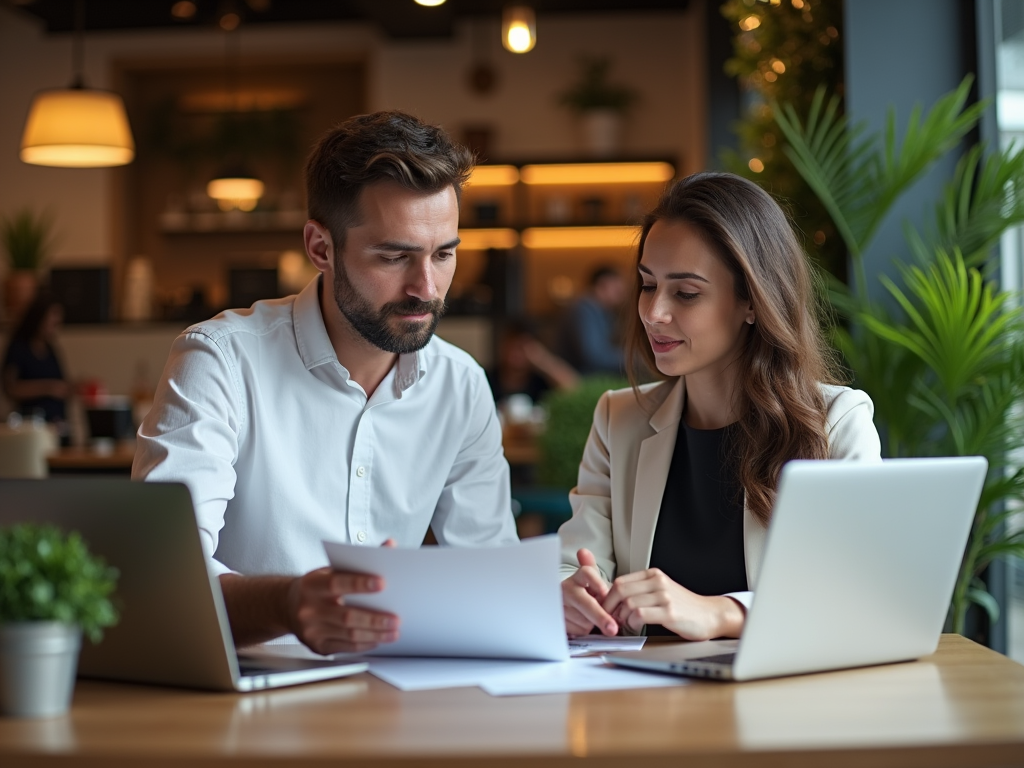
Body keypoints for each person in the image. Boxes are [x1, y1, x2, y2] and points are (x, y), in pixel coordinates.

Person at [133, 111, 519, 656]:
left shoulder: (460, 385)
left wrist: (547, 597)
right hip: (244, 699)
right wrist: (287, 605)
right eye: (394, 256)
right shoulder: (220, 361)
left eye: (444, 254)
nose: (425, 288)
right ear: (320, 248)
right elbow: (162, 575)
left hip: (393, 695)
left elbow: (488, 570)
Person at [558, 172, 882, 640]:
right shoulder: (618, 420)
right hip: (641, 704)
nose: (653, 312)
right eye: (648, 285)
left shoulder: (836, 423)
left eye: (686, 293)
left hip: (780, 704)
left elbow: (856, 595)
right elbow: (573, 564)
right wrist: (569, 594)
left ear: (753, 300)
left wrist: (722, 613)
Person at [1, 288, 72, 443]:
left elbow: (62, 383)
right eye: (53, 316)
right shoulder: (19, 348)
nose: (57, 322)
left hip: (58, 426)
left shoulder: (51, 349)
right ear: (39, 316)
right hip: (32, 429)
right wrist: (48, 388)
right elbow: (11, 388)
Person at [487, 318, 579, 406]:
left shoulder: (540, 382)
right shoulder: (488, 379)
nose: (515, 352)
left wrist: (542, 360)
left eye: (522, 347)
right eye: (511, 344)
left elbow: (574, 388)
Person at [557, 265, 627, 376]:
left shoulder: (601, 311)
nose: (622, 292)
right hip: (577, 379)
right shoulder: (583, 310)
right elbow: (593, 356)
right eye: (617, 288)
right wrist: (632, 358)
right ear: (603, 284)